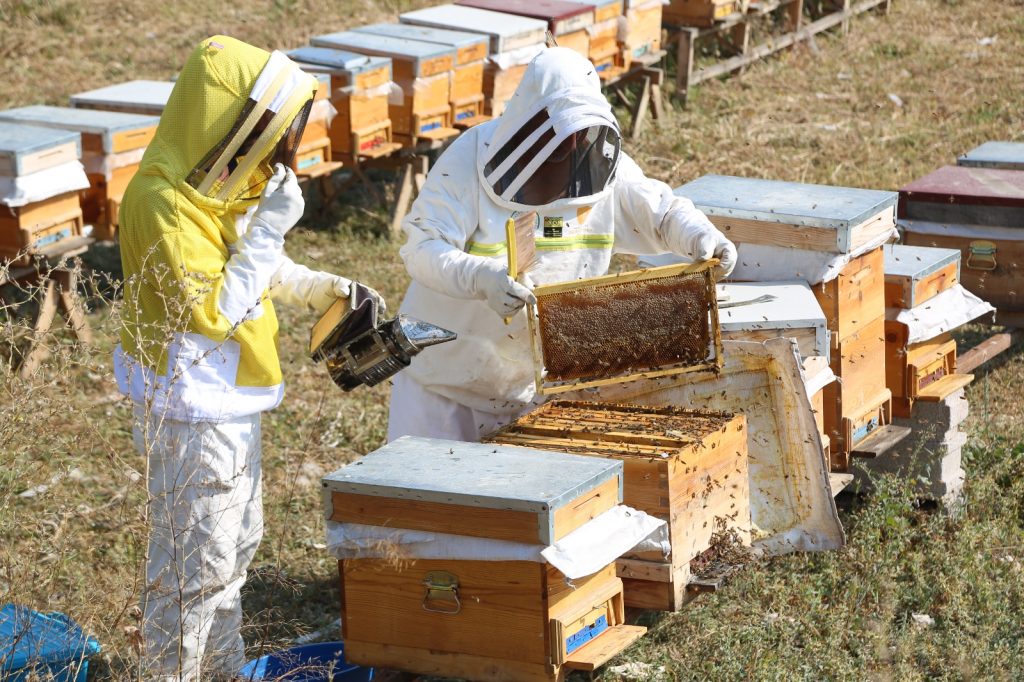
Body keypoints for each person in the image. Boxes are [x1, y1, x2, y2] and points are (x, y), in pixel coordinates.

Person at [114, 36, 385, 681]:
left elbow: (257, 267)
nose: (274, 159)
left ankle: (224, 672)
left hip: (229, 403)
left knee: (233, 552)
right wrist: (269, 228)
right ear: (233, 123)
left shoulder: (215, 187)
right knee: (193, 575)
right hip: (192, 411)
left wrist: (323, 287)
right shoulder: (160, 203)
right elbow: (214, 310)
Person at [387, 47, 736, 443]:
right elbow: (422, 248)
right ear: (526, 123)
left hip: (534, 389)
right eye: (551, 144)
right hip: (443, 387)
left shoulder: (605, 168)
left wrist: (700, 236)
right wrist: (479, 277)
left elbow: (660, 211)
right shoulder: (466, 161)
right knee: (430, 484)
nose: (561, 156)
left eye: (572, 142)